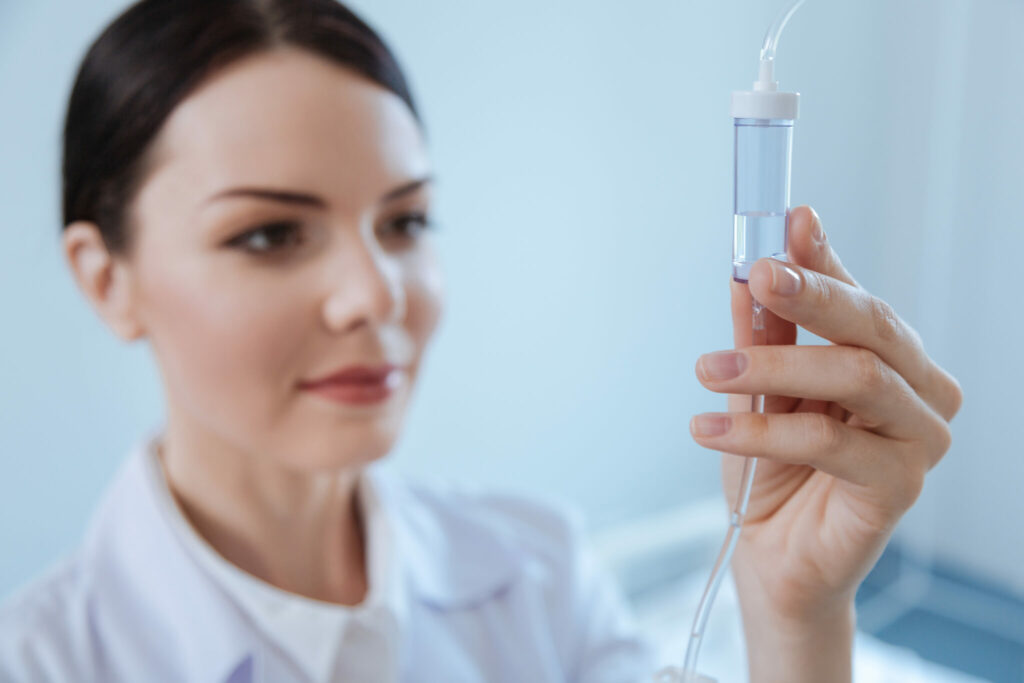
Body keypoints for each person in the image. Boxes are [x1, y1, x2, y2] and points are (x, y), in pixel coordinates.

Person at [0, 1, 963, 681]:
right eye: (270, 234)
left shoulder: (536, 573)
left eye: (406, 222)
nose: (375, 294)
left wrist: (794, 613)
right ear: (106, 279)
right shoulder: (43, 662)